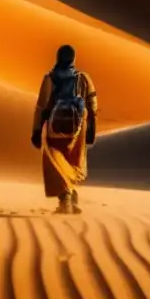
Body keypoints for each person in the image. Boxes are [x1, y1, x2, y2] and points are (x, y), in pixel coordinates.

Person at [31, 45, 98, 213]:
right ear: (73, 59)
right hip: (77, 130)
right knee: (72, 161)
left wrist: (37, 130)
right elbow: (93, 105)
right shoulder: (83, 78)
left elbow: (41, 107)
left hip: (55, 128)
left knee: (56, 162)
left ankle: (66, 200)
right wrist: (91, 130)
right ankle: (70, 195)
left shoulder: (50, 78)